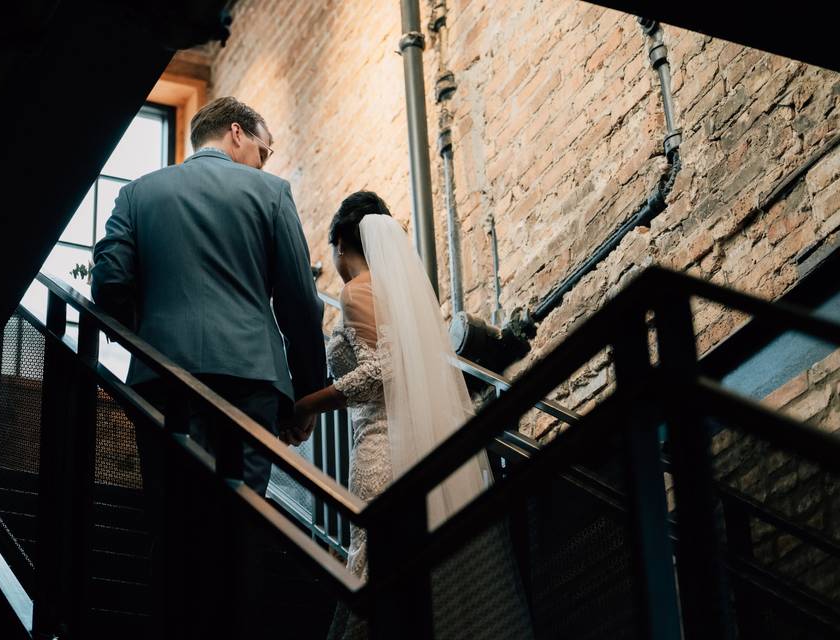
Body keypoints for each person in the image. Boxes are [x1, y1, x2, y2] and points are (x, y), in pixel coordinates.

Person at [91, 96, 326, 632]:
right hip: (250, 381)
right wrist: (308, 392)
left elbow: (110, 284)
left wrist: (153, 332)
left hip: (162, 378)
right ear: (238, 134)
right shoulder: (271, 193)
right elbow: (299, 302)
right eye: (263, 151)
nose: (264, 163)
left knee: (171, 523)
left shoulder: (137, 193)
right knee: (240, 524)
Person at [292, 191, 533, 639]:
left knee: (379, 565)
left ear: (341, 244)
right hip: (414, 443)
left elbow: (382, 369)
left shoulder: (355, 290)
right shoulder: (397, 296)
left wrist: (310, 402)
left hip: (382, 446)